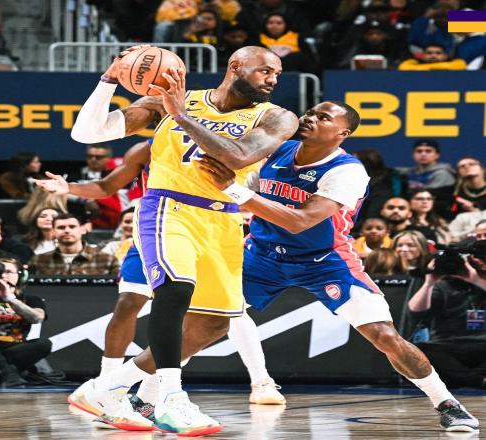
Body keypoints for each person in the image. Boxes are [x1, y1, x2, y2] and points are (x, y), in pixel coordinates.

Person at [195, 100, 479, 432]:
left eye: (323, 117)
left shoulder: (348, 170)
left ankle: (447, 403)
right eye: (311, 113)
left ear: (342, 133)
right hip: (262, 255)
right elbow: (239, 182)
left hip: (325, 260)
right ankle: (154, 391)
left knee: (384, 335)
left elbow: (300, 221)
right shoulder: (275, 151)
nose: (310, 118)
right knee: (200, 322)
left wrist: (231, 189)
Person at [66, 45, 298, 434]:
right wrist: (109, 79)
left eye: (276, 74)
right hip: (168, 207)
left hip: (224, 219)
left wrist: (182, 117)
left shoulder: (277, 117)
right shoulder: (170, 100)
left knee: (213, 325)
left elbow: (239, 155)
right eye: (265, 71)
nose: (273, 79)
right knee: (174, 291)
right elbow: (86, 133)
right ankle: (171, 399)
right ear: (235, 67)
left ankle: (105, 389)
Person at [36, 140, 286, 408]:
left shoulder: (233, 140)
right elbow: (107, 185)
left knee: (214, 318)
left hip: (212, 228)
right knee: (130, 302)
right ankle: (109, 380)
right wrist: (70, 188)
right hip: (159, 225)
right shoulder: (150, 146)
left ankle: (145, 394)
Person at [407, 230, 486, 389]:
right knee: (418, 351)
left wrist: (476, 280)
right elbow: (416, 312)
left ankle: (463, 379)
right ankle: (478, 380)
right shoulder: (444, 284)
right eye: (478, 258)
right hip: (447, 346)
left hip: (483, 345)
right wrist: (429, 283)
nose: (482, 263)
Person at [0, 258, 51, 387]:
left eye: (8, 271)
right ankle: (7, 372)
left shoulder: (31, 300)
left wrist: (9, 298)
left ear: (21, 276)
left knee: (44, 344)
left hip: (12, 351)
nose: (3, 276)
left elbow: (37, 318)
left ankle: (2, 373)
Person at [28, 213, 120, 276]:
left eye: (72, 227)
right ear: (53, 232)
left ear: (82, 230)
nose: (67, 230)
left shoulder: (108, 259)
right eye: (61, 227)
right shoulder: (38, 260)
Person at [398, 43, 466, 70]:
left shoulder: (455, 61)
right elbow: (403, 67)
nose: (433, 55)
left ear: (445, 56)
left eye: (438, 53)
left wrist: (422, 68)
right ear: (423, 56)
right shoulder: (415, 62)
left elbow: (461, 65)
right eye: (429, 53)